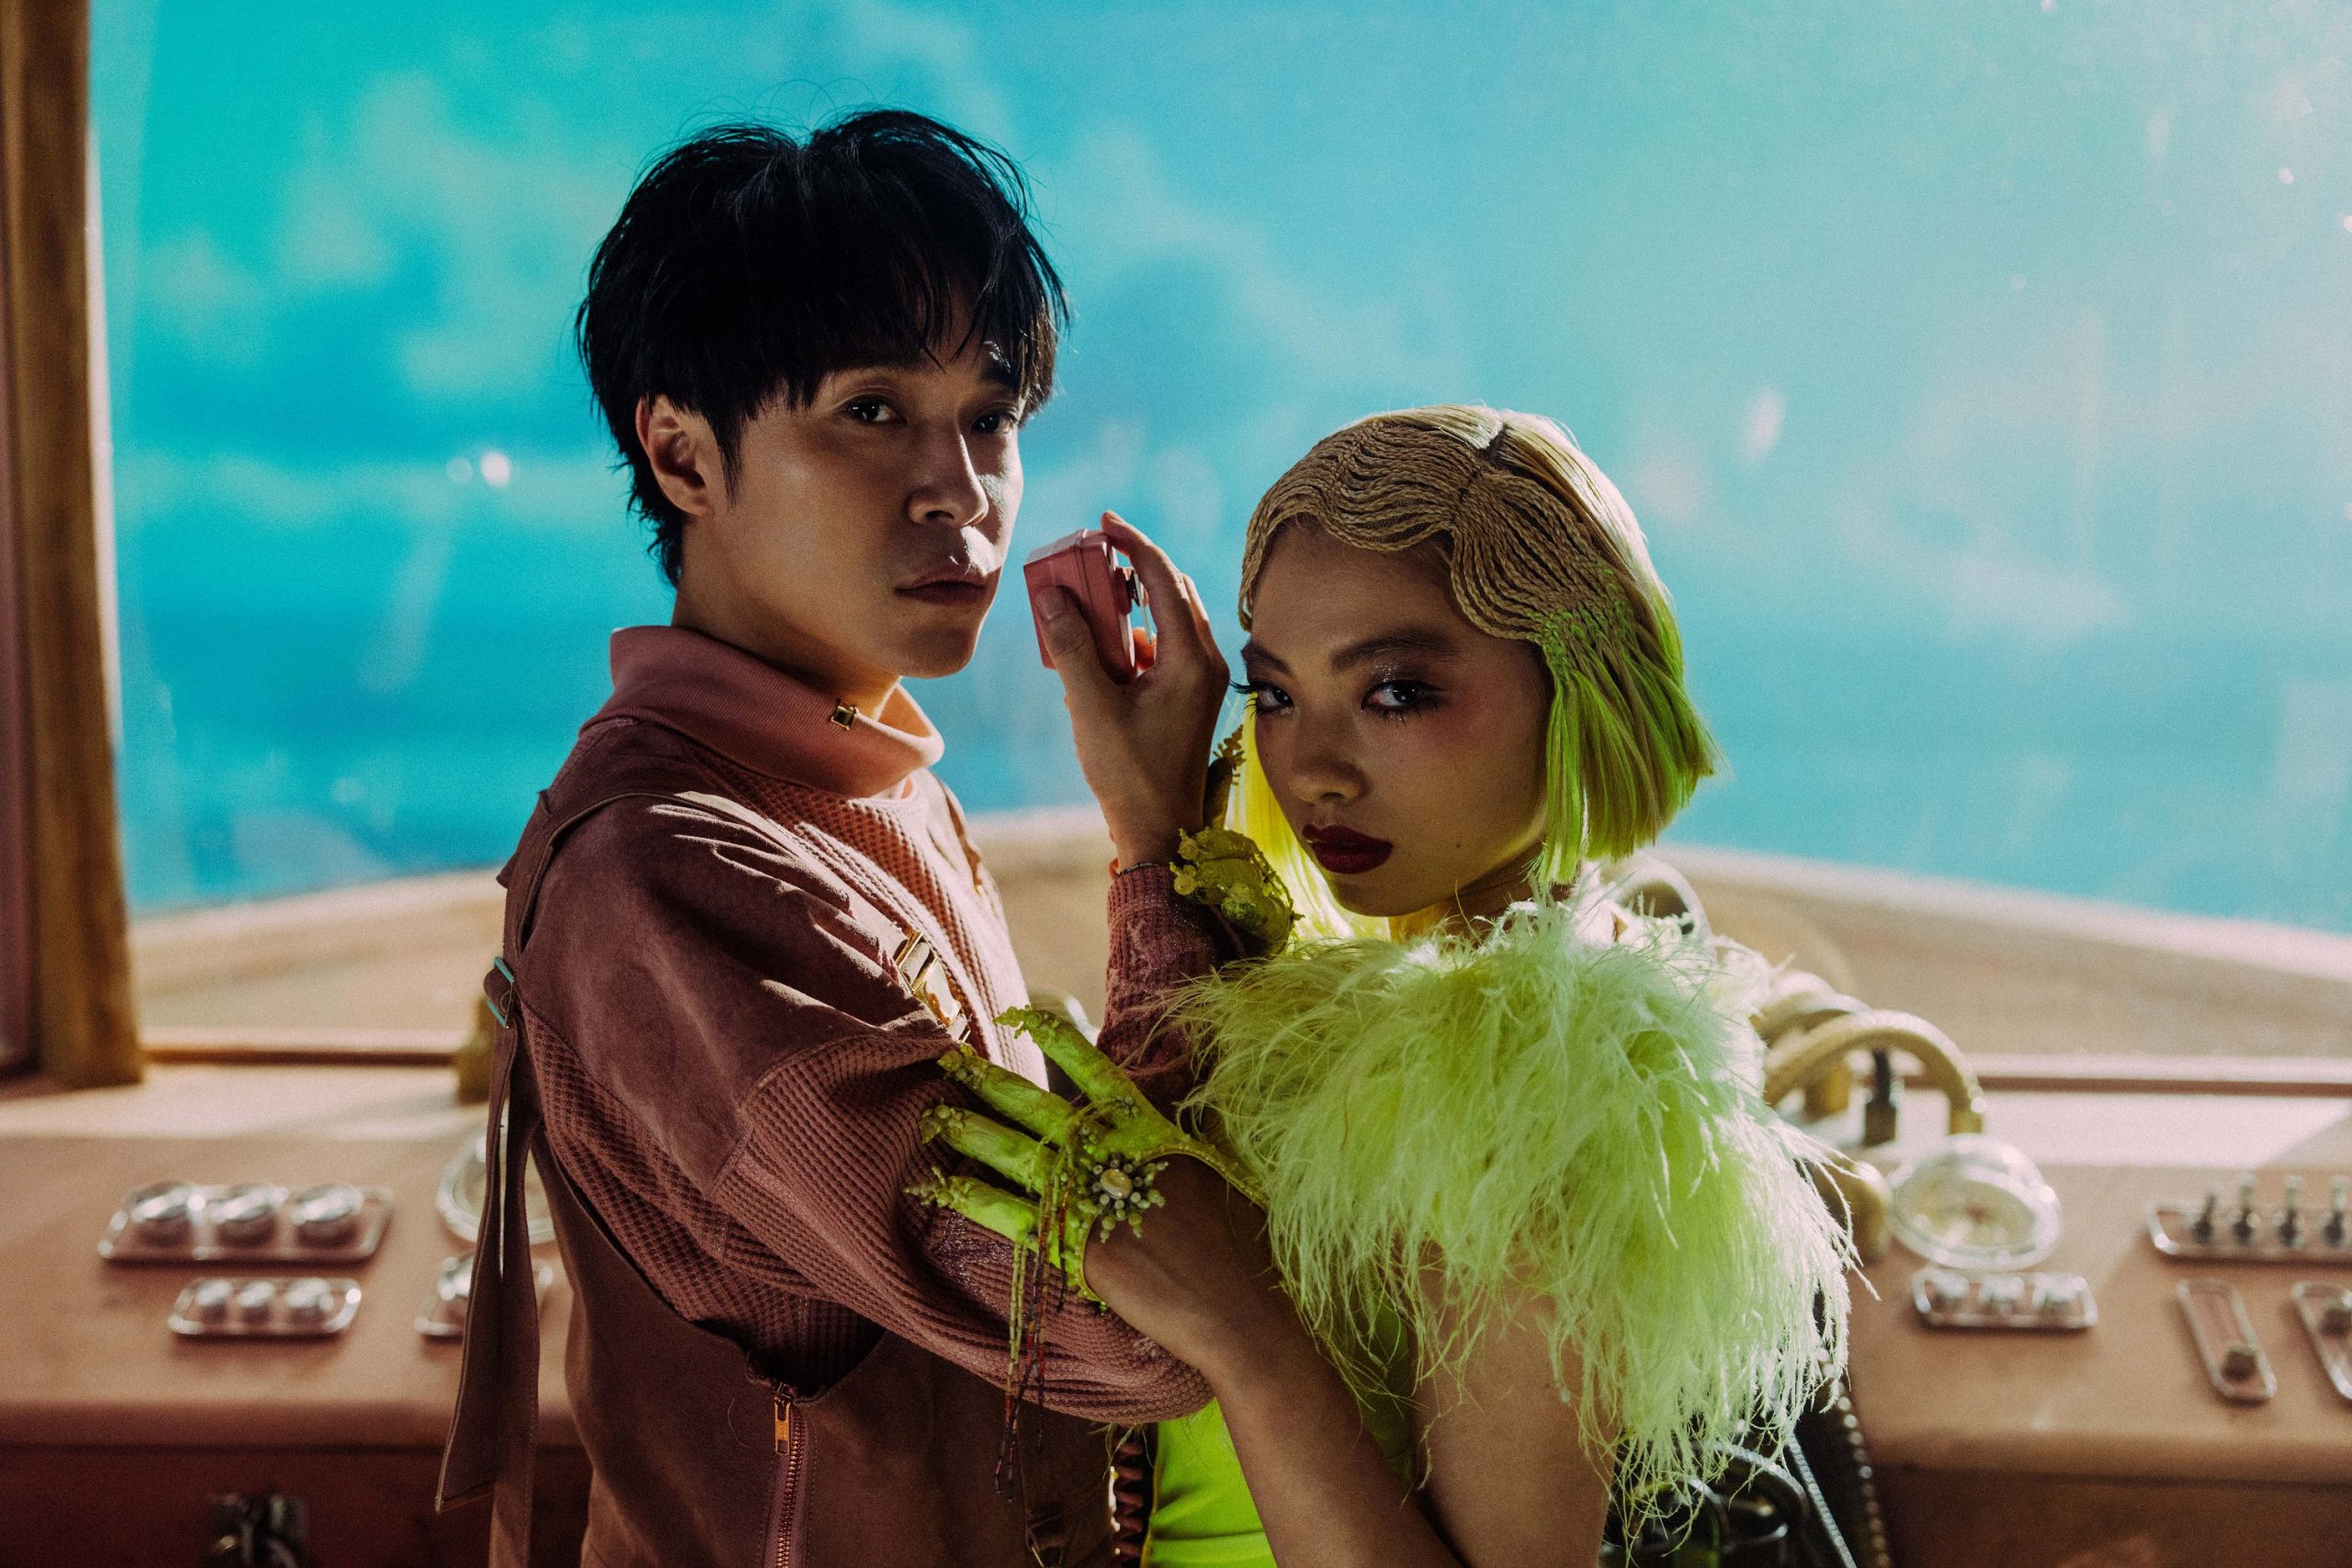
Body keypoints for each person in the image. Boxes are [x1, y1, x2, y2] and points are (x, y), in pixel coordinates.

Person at [435, 110, 1259, 1568]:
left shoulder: (866, 780)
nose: (961, 486)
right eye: (873, 411)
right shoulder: (670, 873)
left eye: (990, 416)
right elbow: (1138, 1327)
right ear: (683, 456)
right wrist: (1156, 844)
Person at [921, 405, 1855, 1567]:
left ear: (1577, 681)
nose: (1313, 768)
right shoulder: (1383, 1011)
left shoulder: (1529, 1094)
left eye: (1396, 692)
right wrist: (1153, 835)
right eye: (1274, 695)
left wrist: (1242, 1331)